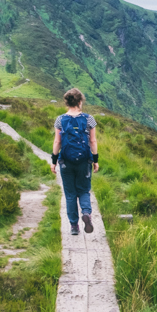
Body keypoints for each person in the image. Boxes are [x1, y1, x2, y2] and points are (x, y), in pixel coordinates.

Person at [51, 87, 99, 235]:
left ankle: (74, 226)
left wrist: (54, 161)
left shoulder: (60, 120)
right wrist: (95, 159)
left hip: (66, 162)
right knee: (84, 190)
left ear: (67, 102)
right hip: (84, 161)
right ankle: (86, 212)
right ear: (79, 101)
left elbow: (57, 142)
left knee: (70, 194)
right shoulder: (88, 119)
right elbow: (92, 140)